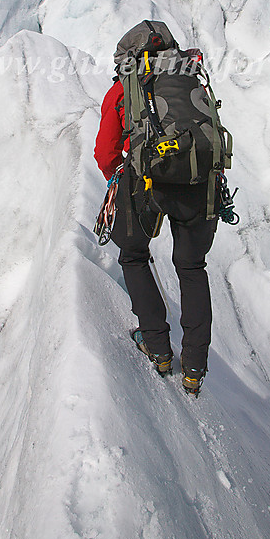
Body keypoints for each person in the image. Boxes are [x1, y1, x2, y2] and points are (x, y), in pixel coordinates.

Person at [94, 21, 220, 395]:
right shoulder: (189, 78)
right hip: (200, 181)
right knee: (192, 267)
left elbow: (105, 152)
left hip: (144, 181)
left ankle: (159, 348)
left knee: (133, 254)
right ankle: (194, 367)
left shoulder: (123, 89)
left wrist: (120, 177)